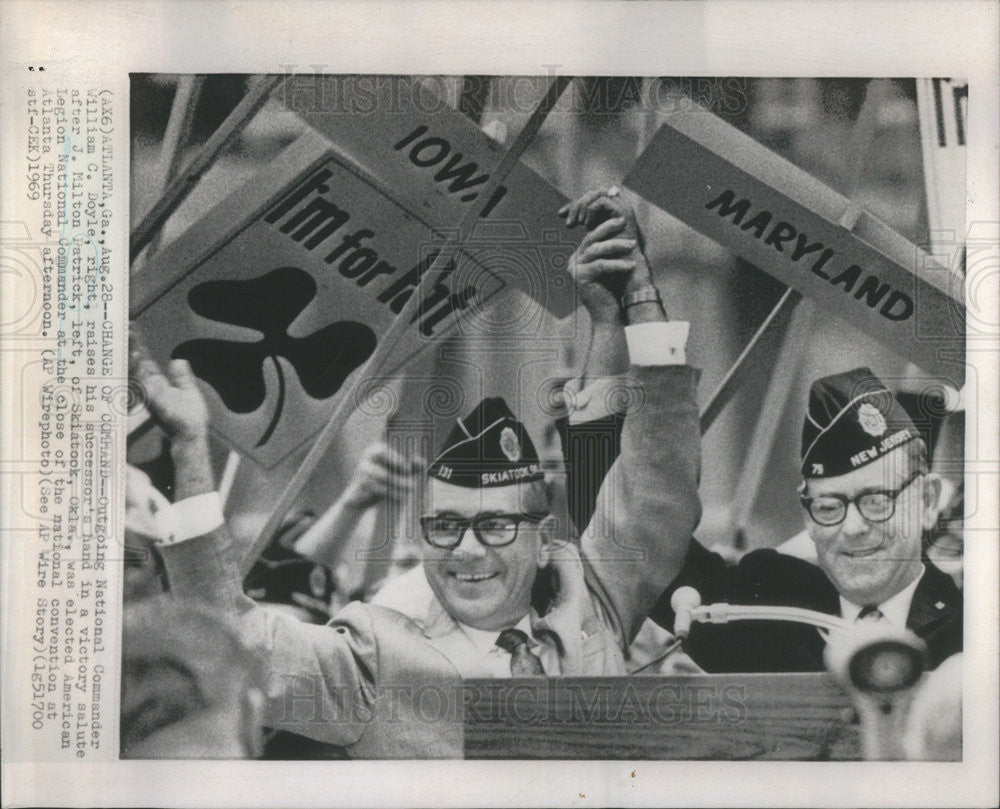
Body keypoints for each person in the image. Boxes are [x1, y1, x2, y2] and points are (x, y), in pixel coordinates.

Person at [134, 189, 703, 758]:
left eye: (495, 527)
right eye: (445, 527)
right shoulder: (377, 655)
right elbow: (237, 640)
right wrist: (188, 447)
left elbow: (659, 482)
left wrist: (639, 301)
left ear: (544, 537)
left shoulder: (596, 597)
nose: (467, 551)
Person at [649, 366, 962, 672]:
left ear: (927, 499)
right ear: (807, 518)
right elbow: (642, 532)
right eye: (828, 508)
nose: (852, 528)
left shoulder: (974, 626)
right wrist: (647, 334)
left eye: (877, 502)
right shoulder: (765, 606)